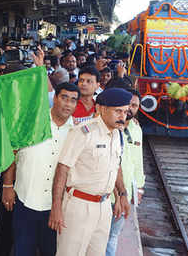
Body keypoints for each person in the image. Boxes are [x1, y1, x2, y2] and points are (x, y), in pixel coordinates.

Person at [48, 87, 132, 256]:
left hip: (104, 207)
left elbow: (116, 166)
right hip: (79, 206)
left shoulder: (117, 134)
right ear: (101, 109)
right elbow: (63, 168)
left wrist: (122, 194)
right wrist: (56, 206)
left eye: (125, 112)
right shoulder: (83, 132)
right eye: (117, 111)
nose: (122, 117)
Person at [2, 82, 79, 256]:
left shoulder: (76, 132)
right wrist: (7, 186)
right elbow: (11, 153)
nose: (68, 104)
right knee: (22, 251)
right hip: (25, 200)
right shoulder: (32, 122)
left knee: (51, 251)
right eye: (64, 98)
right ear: (55, 98)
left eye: (73, 100)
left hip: (55, 208)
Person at [105, 89, 145, 256]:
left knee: (113, 236)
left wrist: (140, 187)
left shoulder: (136, 129)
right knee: (97, 236)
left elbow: (138, 160)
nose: (130, 109)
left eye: (134, 106)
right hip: (105, 194)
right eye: (128, 105)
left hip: (125, 193)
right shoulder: (110, 127)